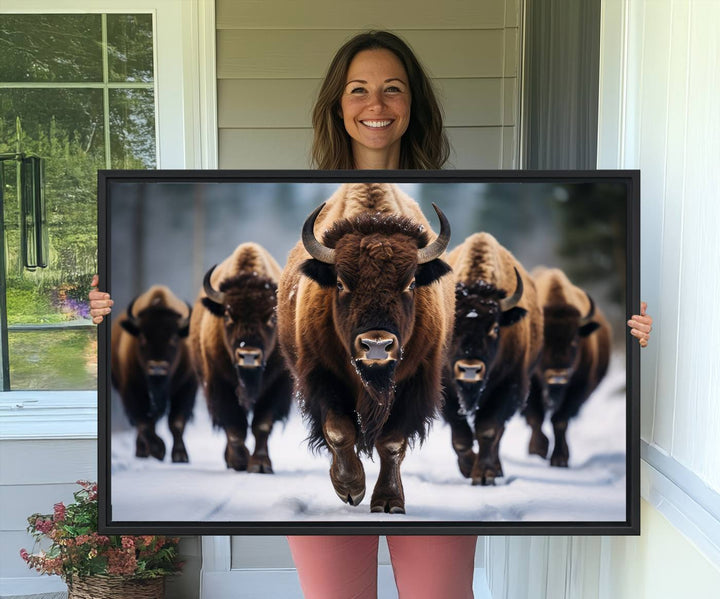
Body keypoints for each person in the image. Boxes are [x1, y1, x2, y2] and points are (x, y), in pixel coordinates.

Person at [89, 30, 653, 598]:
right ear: (338, 104)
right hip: (335, 368)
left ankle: (392, 463)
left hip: (404, 378)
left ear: (414, 104)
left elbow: (433, 360)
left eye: (393, 89)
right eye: (358, 90)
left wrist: (632, 330)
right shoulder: (312, 247)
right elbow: (308, 365)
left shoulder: (432, 239)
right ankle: (339, 439)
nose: (376, 105)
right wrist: (102, 311)